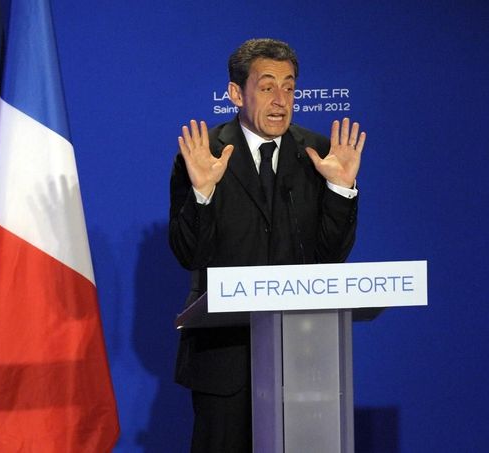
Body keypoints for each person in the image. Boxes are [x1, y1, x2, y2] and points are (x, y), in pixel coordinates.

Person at [168, 38, 366, 452]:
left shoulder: (318, 153)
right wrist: (203, 193)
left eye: (290, 88)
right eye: (267, 86)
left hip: (303, 360)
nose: (281, 101)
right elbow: (190, 254)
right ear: (236, 93)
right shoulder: (204, 153)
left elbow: (331, 256)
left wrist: (341, 189)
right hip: (223, 362)